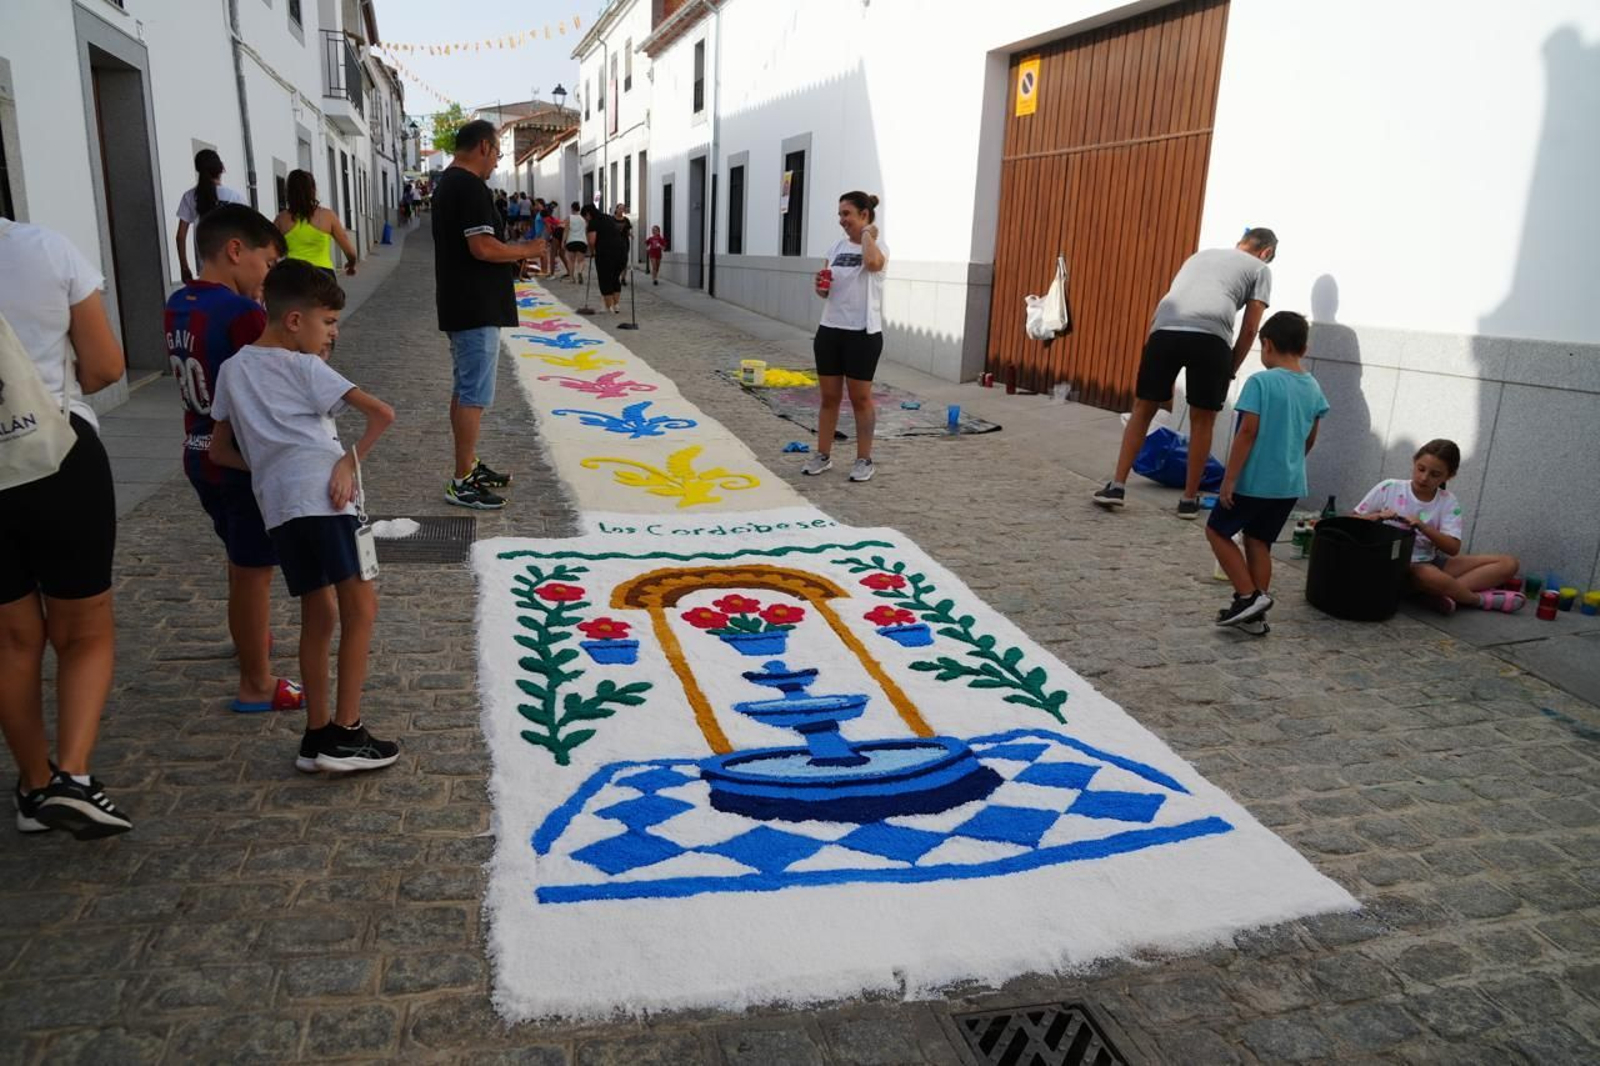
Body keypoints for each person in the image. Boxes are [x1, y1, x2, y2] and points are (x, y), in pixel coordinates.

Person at [208, 260, 400, 773]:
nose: (333, 333)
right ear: (295, 320)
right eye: (329, 322)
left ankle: (316, 736)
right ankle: (348, 732)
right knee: (360, 610)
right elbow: (382, 414)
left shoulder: (232, 370)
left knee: (319, 616)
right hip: (326, 500)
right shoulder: (304, 368)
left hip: (280, 509)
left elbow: (220, 450)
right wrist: (347, 462)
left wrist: (275, 467)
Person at [0, 217, 131, 837]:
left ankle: (33, 785)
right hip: (57, 456)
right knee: (83, 632)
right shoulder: (44, 250)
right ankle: (73, 777)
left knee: (11, 640)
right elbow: (105, 367)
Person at [165, 204, 311, 715]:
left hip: (197, 450)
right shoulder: (241, 314)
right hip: (240, 460)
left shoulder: (179, 302)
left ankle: (250, 640)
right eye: (267, 263)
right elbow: (278, 376)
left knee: (238, 558)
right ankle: (256, 681)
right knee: (254, 571)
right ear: (235, 251)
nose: (268, 276)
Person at [1094, 227, 1278, 518]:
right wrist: (1230, 368)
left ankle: (1116, 486)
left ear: (1240, 243)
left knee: (1143, 408)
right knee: (1202, 419)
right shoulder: (1260, 269)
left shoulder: (1199, 256)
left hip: (1164, 331)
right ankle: (1188, 500)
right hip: (1210, 338)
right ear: (1266, 252)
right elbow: (1250, 327)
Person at [430, 119, 546, 510]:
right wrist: (526, 249)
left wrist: (511, 263)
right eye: (497, 152)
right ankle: (462, 480)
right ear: (483, 146)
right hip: (474, 305)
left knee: (465, 390)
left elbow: (475, 249)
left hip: (463, 301)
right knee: (473, 395)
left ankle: (468, 465)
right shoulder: (469, 186)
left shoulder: (450, 184)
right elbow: (482, 247)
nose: (497, 161)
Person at [1205, 312, 1328, 632]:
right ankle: (1255, 619)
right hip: (1289, 483)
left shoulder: (1260, 382)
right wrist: (1290, 463)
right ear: (1304, 349)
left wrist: (1229, 478)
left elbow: (1247, 432)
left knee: (1217, 531)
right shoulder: (1313, 387)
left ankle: (1248, 597)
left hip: (1254, 480)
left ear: (1267, 344)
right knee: (1259, 541)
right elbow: (1310, 438)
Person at [1354, 440, 1524, 615]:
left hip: (1429, 562)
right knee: (1428, 575)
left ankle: (1441, 593)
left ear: (1448, 476)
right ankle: (1476, 600)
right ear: (1414, 462)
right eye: (1421, 469)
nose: (1424, 478)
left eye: (1435, 474)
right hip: (1395, 564)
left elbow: (1453, 548)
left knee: (1508, 564)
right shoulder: (1389, 487)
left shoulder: (1447, 501)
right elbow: (1350, 521)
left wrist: (1423, 527)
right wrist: (1377, 516)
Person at [802, 191, 888, 484]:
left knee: (860, 399)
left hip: (862, 333)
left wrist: (867, 235)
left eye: (847, 214)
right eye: (840, 214)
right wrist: (820, 286)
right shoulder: (835, 247)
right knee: (829, 398)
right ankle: (822, 455)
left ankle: (864, 459)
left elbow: (873, 264)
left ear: (864, 215)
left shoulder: (878, 247)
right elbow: (825, 289)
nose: (841, 220)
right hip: (830, 330)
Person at [176, 149, 248, 283]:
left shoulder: (190, 197)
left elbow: (180, 236)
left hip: (205, 265)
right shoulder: (235, 197)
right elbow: (247, 233)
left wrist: (184, 267)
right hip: (232, 262)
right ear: (221, 169)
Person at [274, 169, 359, 281]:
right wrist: (351, 265)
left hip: (292, 276)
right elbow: (350, 252)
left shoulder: (281, 219)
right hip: (323, 276)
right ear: (313, 190)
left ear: (288, 192)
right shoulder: (328, 216)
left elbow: (270, 254)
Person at [582, 204, 627, 314]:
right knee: (615, 277)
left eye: (585, 217)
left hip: (606, 253)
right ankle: (616, 305)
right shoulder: (608, 218)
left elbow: (592, 241)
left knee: (605, 279)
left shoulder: (593, 222)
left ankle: (608, 307)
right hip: (621, 251)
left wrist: (592, 252)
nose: (585, 220)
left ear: (588, 214)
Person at [566, 200, 588, 284]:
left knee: (571, 261)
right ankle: (580, 272)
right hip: (582, 241)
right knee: (581, 261)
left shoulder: (569, 218)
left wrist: (563, 241)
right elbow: (586, 231)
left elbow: (566, 231)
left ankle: (572, 278)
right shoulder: (583, 219)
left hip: (571, 241)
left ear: (572, 208)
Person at [613, 203, 633, 287]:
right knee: (615, 261)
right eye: (620, 208)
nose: (621, 210)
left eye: (623, 209)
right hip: (614, 243)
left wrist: (630, 235)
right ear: (616, 209)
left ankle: (623, 278)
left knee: (624, 261)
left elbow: (628, 231)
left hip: (624, 243)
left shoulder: (626, 220)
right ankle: (615, 277)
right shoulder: (611, 219)